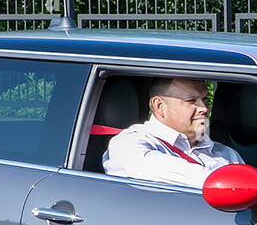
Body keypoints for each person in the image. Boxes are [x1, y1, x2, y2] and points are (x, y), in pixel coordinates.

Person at [102, 77, 246, 187]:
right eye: (191, 101)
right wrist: (223, 182)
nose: (204, 108)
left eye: (205, 99)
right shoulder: (131, 143)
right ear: (159, 106)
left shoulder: (226, 154)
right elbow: (136, 164)